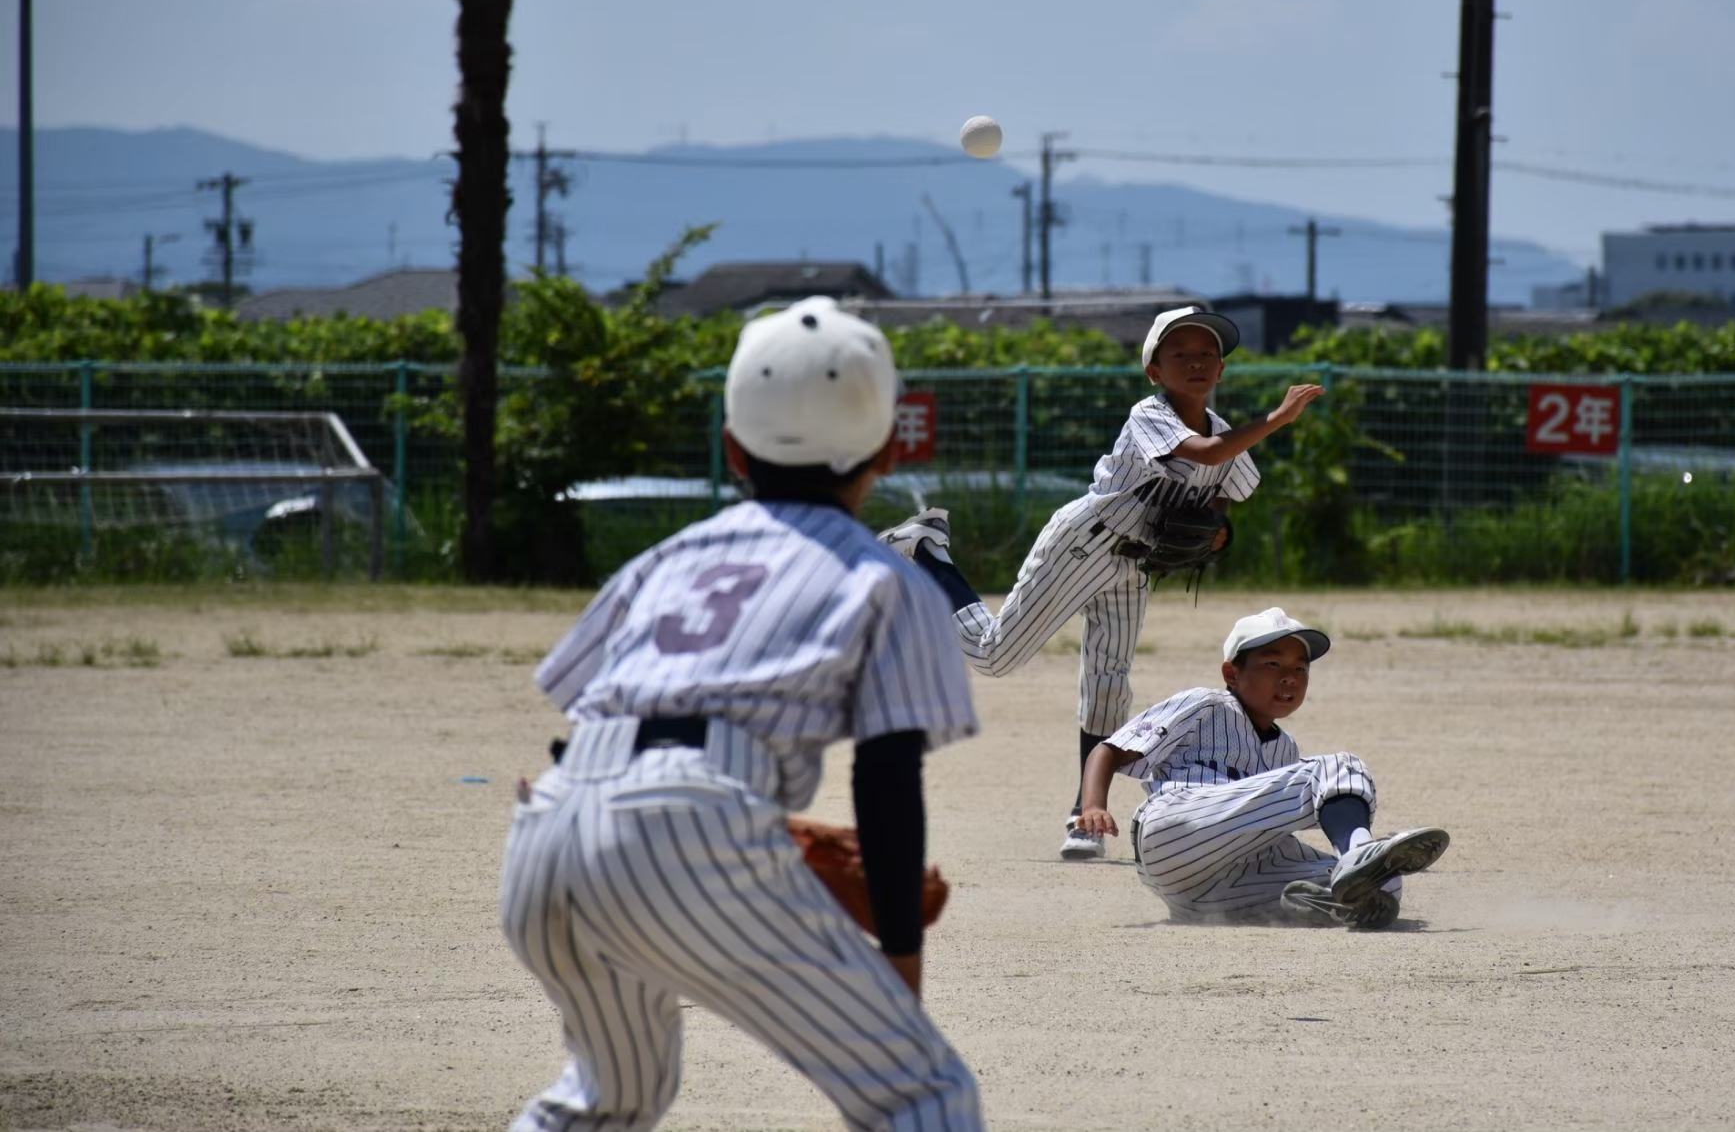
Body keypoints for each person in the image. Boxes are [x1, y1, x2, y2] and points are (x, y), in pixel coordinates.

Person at [499, 297, 984, 1132]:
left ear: (732, 447)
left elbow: (591, 708)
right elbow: (888, 776)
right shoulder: (884, 578)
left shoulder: (670, 555)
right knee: (923, 1091)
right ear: (885, 448)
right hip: (689, 830)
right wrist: (900, 962)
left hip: (546, 829)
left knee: (607, 1097)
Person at [880, 306, 1323, 861]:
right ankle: (927, 550)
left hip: (1138, 566)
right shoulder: (1150, 415)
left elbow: (1225, 498)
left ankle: (1084, 815)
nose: (1196, 362)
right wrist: (1280, 417)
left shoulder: (1227, 435)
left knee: (1109, 685)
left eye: (1208, 354)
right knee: (995, 657)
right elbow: (1207, 456)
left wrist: (1218, 534)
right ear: (1155, 371)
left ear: (1221, 370)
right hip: (1085, 542)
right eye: (1179, 354)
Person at [1073, 606, 1450, 929]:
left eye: (1300, 669)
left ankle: (1328, 901)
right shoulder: (1206, 706)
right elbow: (1107, 751)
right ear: (1232, 673)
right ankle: (1358, 852)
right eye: (1272, 663)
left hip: (1212, 897)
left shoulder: (1285, 749)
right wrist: (1092, 805)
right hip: (1173, 837)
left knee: (1388, 883)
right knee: (1339, 766)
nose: (1289, 677)